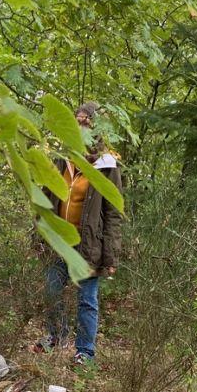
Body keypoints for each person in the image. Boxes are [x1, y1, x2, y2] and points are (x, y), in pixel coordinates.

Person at [36, 102, 122, 365]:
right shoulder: (62, 159)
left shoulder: (107, 166)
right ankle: (57, 336)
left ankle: (85, 351)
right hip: (57, 241)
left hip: (88, 246)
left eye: (85, 122)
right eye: (77, 122)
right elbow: (45, 199)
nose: (79, 126)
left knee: (87, 299)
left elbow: (113, 213)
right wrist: (38, 237)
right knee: (52, 291)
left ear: (96, 127)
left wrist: (111, 256)